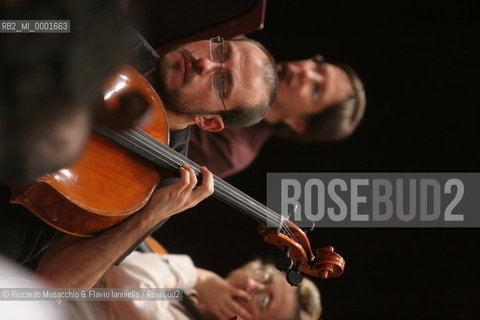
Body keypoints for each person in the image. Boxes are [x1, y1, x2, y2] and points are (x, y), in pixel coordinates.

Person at [0, 29, 279, 289]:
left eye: (221, 82)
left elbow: (56, 282)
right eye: (221, 51)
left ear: (208, 121)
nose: (205, 64)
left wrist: (150, 216)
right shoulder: (114, 36)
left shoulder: (166, 182)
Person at [188, 55, 366, 178]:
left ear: (298, 123)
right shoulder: (239, 44)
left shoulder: (230, 150)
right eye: (318, 69)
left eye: (315, 91)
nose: (306, 72)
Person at [75, 251, 322, 320]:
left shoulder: (192, 282)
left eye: (263, 301)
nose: (249, 284)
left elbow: (127, 272)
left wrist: (201, 278)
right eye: (264, 279)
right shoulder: (190, 294)